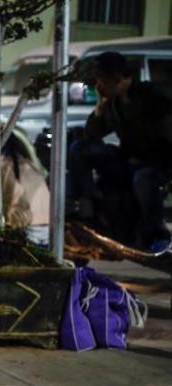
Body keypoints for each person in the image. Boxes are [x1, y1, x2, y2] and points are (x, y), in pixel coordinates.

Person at [68, 51, 172, 252]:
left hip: (155, 162)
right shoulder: (113, 104)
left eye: (103, 81)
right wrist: (100, 106)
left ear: (119, 79)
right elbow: (92, 134)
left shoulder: (151, 96)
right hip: (126, 159)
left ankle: (158, 234)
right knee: (80, 148)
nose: (99, 86)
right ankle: (83, 206)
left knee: (143, 180)